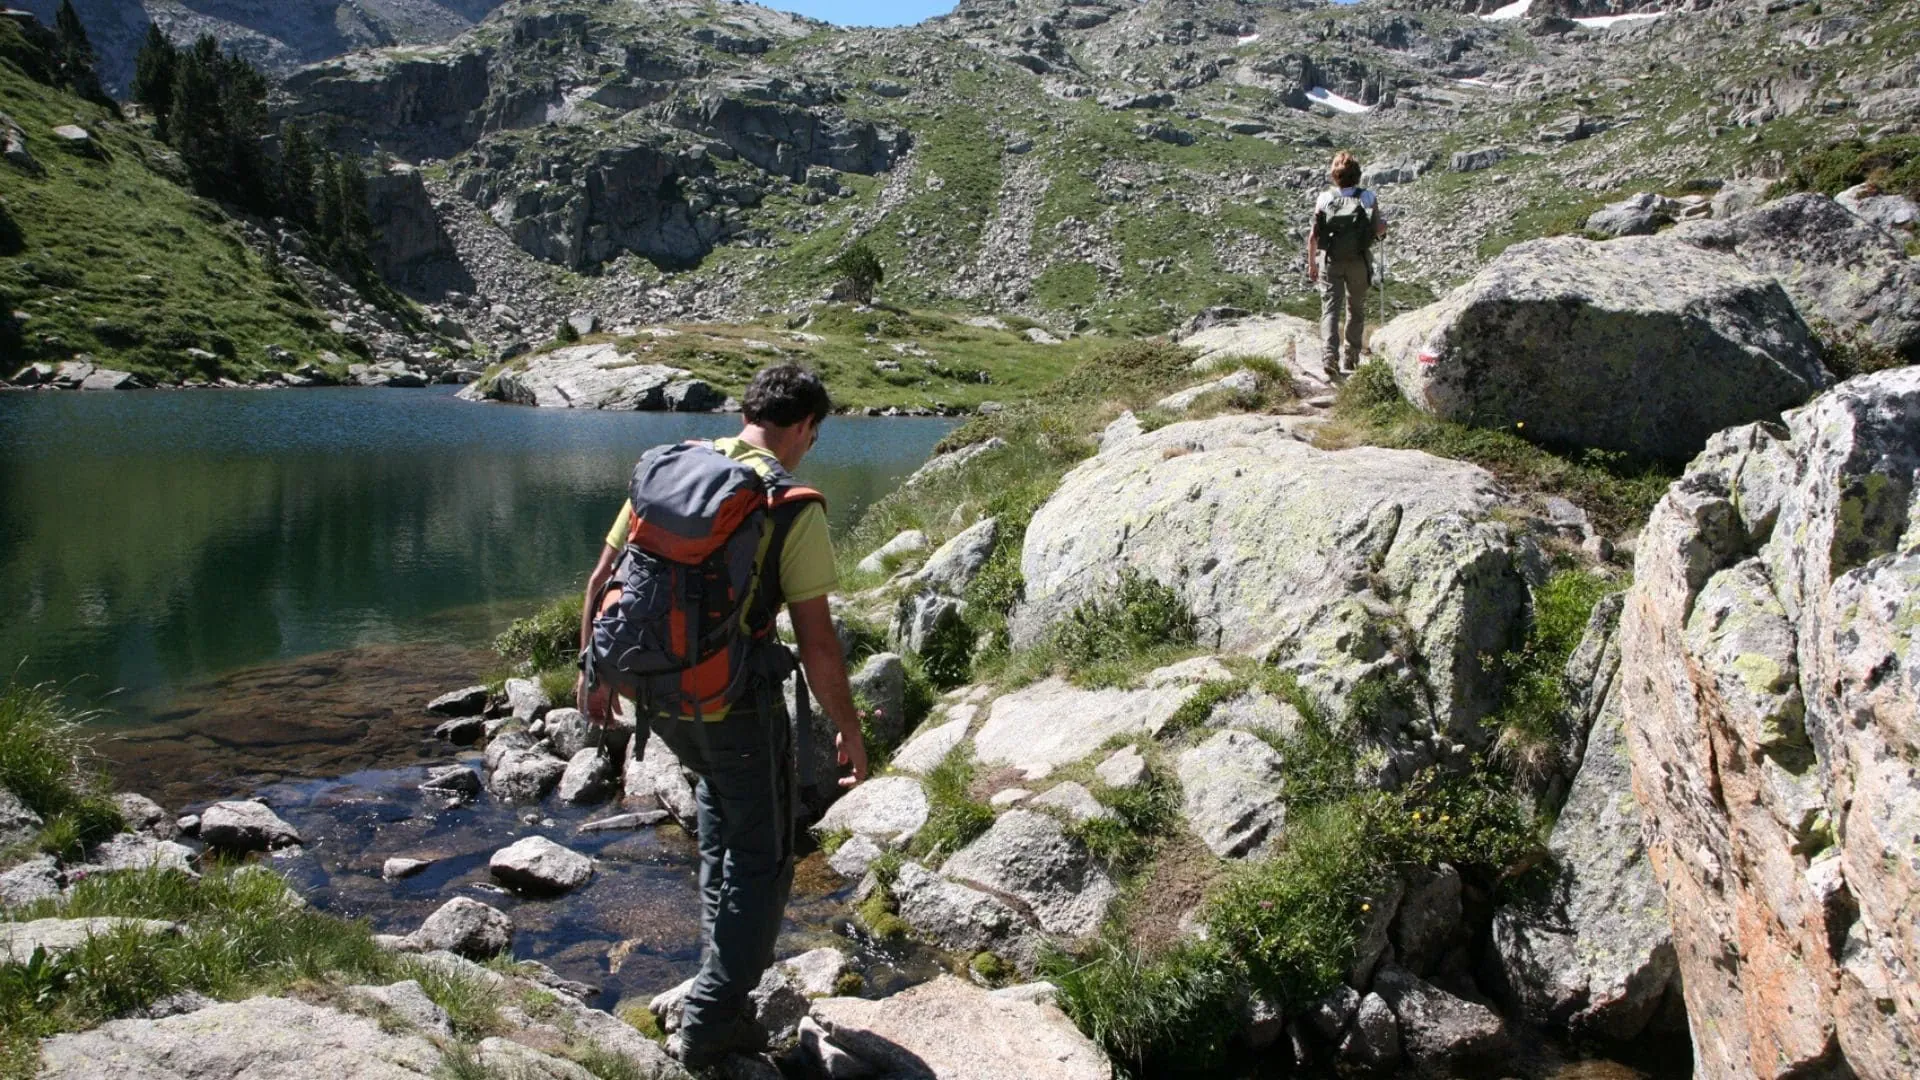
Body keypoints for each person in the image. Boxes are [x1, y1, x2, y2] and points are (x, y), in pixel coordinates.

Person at [575, 364, 867, 1070]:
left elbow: (599, 577)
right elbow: (818, 642)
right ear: (802, 427)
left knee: (720, 815)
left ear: (748, 413)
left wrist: (589, 673)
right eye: (814, 436)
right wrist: (849, 729)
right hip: (732, 700)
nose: (810, 447)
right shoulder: (790, 503)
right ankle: (712, 1021)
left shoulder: (673, 468)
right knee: (763, 859)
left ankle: (714, 974)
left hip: (653, 691)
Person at [1307, 150, 1389, 379]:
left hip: (1330, 261)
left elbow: (1314, 235)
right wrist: (1384, 226)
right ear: (1357, 175)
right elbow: (1377, 230)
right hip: (1358, 262)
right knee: (1356, 309)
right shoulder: (1368, 198)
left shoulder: (1325, 198)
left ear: (1335, 175)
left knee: (1330, 309)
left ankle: (1329, 356)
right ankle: (1351, 358)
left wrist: (1311, 263)